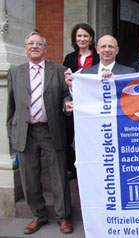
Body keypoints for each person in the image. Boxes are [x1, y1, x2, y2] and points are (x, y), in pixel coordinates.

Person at [6, 30, 73, 234]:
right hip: (25, 131)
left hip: (51, 129)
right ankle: (39, 215)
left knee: (59, 175)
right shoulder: (15, 72)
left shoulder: (59, 70)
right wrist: (11, 129)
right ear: (25, 48)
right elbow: (11, 104)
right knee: (29, 177)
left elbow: (64, 95)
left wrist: (67, 103)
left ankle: (63, 217)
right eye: (30, 43)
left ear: (45, 48)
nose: (34, 46)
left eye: (38, 43)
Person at [63, 23, 99, 180]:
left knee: (94, 138)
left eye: (85, 36)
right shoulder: (69, 58)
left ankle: (95, 167)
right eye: (79, 36)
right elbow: (64, 82)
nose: (82, 39)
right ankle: (74, 169)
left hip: (94, 104)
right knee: (69, 137)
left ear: (91, 38)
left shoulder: (98, 56)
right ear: (75, 39)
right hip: (74, 103)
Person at [64, 34, 135, 100]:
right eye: (103, 46)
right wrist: (72, 87)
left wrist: (115, 81)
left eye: (111, 46)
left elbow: (133, 98)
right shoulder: (85, 73)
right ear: (97, 50)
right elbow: (81, 99)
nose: (107, 50)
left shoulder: (129, 73)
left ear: (117, 50)